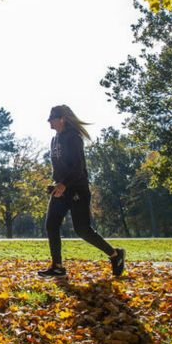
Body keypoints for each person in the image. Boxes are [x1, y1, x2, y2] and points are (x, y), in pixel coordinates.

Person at [38, 105, 126, 278]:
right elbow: (58, 167)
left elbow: (78, 167)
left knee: (83, 229)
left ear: (61, 118)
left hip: (77, 189)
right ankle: (57, 266)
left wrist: (64, 184)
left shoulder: (73, 137)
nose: (49, 121)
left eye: (52, 118)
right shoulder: (54, 139)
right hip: (61, 189)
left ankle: (116, 255)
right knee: (51, 224)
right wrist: (56, 184)